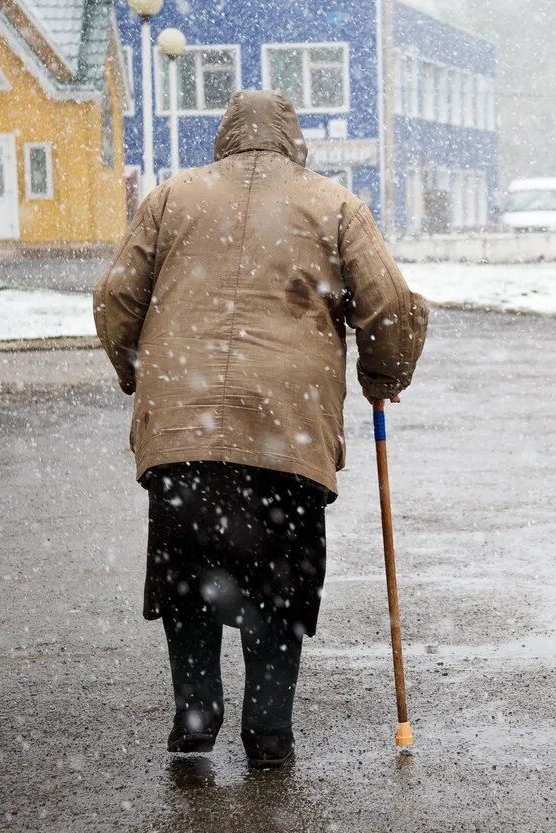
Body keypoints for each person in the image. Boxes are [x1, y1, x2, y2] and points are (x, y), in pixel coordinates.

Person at [93, 91, 429, 768]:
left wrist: (138, 373)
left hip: (183, 431)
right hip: (287, 433)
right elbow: (389, 303)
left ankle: (195, 717)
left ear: (225, 136)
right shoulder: (333, 204)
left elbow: (115, 297)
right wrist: (382, 374)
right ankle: (269, 730)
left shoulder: (169, 199)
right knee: (278, 583)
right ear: (292, 140)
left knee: (188, 577)